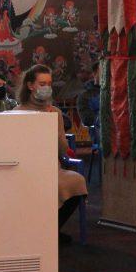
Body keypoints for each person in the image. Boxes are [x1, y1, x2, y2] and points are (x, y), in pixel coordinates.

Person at [18, 64, 87, 246]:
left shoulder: (55, 112)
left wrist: (52, 125)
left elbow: (63, 149)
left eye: (49, 84)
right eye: (42, 84)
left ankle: (53, 230)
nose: (46, 87)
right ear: (30, 85)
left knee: (76, 181)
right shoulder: (18, 112)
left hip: (52, 167)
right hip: (26, 169)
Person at [74, 61, 100, 127]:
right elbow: (87, 120)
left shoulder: (114, 92)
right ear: (94, 73)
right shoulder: (84, 96)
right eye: (103, 72)